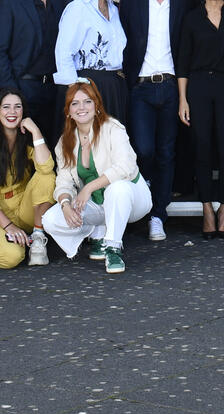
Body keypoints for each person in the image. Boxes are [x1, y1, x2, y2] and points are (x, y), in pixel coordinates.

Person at [120, 0, 192, 243]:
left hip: (172, 86)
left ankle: (158, 215)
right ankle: (142, 203)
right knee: (144, 150)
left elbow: (189, 47)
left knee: (166, 152)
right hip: (141, 86)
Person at [41, 80, 149, 273]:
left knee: (117, 188)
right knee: (50, 219)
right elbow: (63, 181)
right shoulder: (64, 142)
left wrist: (88, 188)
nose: (81, 107)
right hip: (97, 203)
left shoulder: (113, 128)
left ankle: (113, 247)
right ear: (68, 111)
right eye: (75, 103)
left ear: (96, 105)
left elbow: (125, 167)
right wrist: (65, 205)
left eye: (87, 101)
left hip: (132, 198)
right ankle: (97, 231)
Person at [175, 0, 224, 239]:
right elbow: (183, 62)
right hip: (199, 86)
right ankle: (206, 208)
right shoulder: (191, 18)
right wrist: (183, 99)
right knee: (201, 147)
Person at [0, 90, 57, 268]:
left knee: (47, 176)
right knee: (11, 258)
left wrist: (35, 132)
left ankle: (38, 236)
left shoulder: (25, 142)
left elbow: (47, 168)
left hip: (23, 207)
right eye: (6, 107)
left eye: (17, 107)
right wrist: (8, 226)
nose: (12, 112)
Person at [0, 0, 59, 146]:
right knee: (25, 151)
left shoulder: (62, 2)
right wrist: (12, 94)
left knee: (54, 150)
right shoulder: (8, 2)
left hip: (55, 91)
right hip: (23, 88)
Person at [54, 0, 130, 125]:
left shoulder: (115, 9)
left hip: (114, 87)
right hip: (87, 87)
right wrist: (76, 93)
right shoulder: (77, 8)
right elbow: (63, 52)